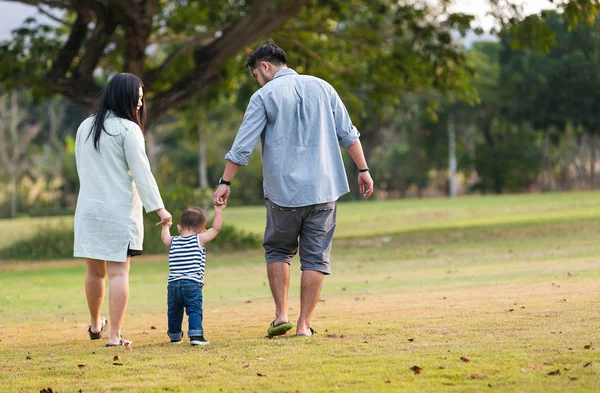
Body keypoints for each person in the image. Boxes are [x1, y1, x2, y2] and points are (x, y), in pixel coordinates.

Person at [213, 43, 374, 337]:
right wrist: (363, 170)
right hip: (324, 190)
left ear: (264, 66)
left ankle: (281, 315)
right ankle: (303, 325)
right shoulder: (324, 88)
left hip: (283, 193)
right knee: (315, 257)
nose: (257, 80)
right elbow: (348, 134)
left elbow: (242, 147)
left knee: (278, 250)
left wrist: (225, 182)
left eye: (255, 74)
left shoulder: (263, 96)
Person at [73, 73, 172, 347]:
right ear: (125, 98)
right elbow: (143, 173)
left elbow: (83, 168)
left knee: (94, 273)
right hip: (118, 212)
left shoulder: (85, 127)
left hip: (88, 211)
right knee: (118, 274)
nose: (140, 104)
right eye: (137, 99)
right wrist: (160, 210)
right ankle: (114, 335)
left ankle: (95, 325)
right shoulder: (128, 130)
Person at [160, 206, 224, 345]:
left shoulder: (173, 241)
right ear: (202, 230)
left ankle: (175, 336)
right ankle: (196, 336)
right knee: (194, 310)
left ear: (179, 228)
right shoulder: (199, 239)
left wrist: (166, 225)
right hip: (191, 284)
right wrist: (218, 210)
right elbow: (216, 229)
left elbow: (165, 237)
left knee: (173, 312)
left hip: (173, 285)